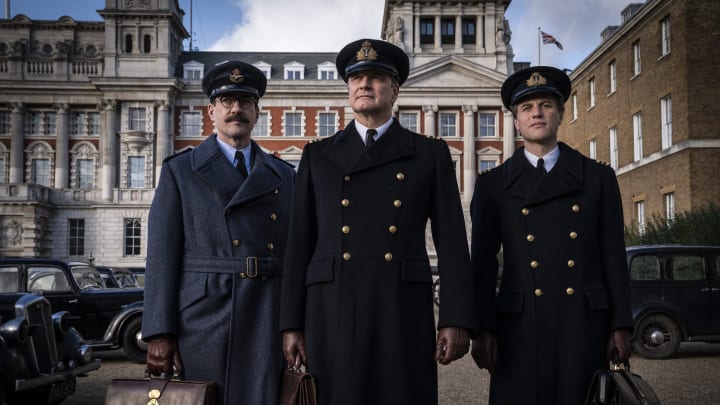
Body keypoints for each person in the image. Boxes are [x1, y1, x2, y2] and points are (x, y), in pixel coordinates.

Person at [279, 38, 476, 405]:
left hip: (400, 307)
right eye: (356, 78)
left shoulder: (429, 154)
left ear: (395, 89)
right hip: (332, 307)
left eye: (376, 77)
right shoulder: (317, 155)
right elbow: (299, 244)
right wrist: (291, 323)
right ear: (348, 89)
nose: (364, 85)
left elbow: (451, 242)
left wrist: (455, 317)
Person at [469, 66, 633, 404]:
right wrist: (482, 328)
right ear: (516, 121)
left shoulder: (597, 178)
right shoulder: (493, 185)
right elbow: (482, 265)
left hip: (583, 324)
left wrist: (620, 324)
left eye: (545, 105)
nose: (537, 114)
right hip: (519, 326)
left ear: (559, 114)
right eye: (527, 108)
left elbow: (613, 255)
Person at [142, 61, 295, 404]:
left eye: (244, 101)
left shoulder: (285, 175)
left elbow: (297, 253)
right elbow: (161, 256)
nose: (236, 109)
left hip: (267, 310)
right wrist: (159, 331)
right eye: (227, 101)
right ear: (212, 111)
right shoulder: (181, 171)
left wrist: (296, 323)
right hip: (203, 315)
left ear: (258, 112)